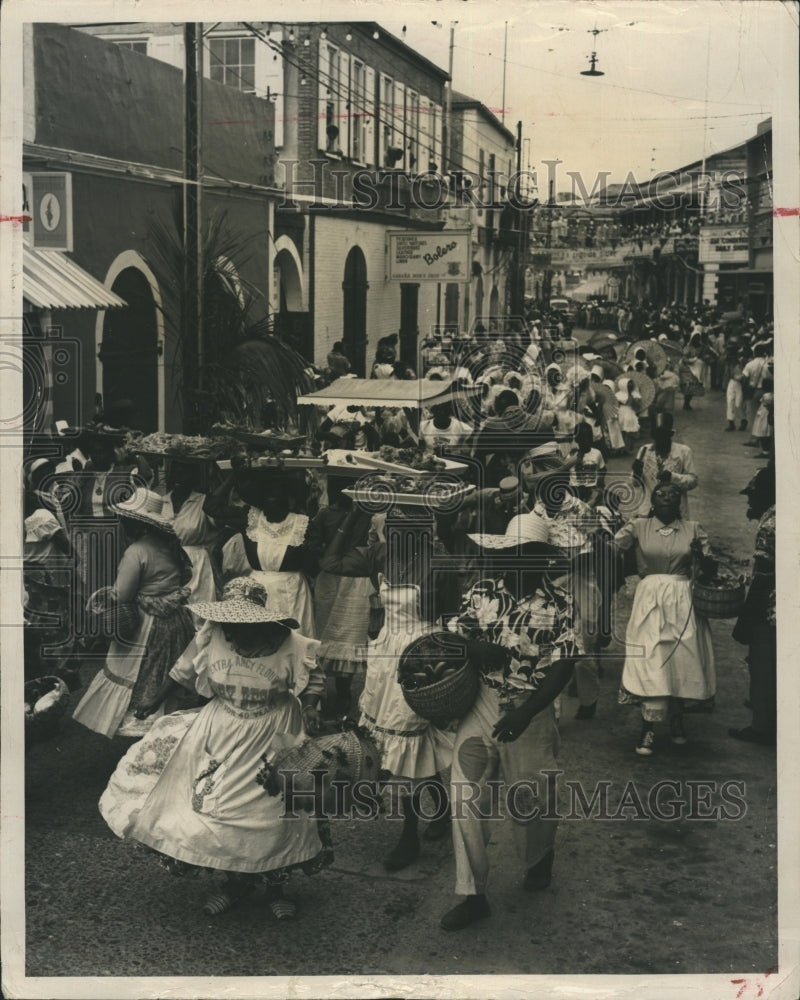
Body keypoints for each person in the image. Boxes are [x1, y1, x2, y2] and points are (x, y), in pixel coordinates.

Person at [98, 577, 329, 920]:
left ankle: (275, 888)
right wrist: (152, 701)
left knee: (271, 815)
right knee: (220, 812)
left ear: (259, 620)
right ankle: (235, 883)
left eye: (239, 624)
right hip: (220, 730)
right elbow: (182, 672)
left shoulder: (292, 644)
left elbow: (314, 680)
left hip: (275, 733)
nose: (231, 632)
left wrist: (310, 707)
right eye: (227, 623)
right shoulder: (212, 634)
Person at [439, 513, 577, 930]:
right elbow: (451, 634)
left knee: (531, 795)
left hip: (528, 708)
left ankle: (539, 856)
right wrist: (474, 649)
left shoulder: (559, 604)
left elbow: (564, 665)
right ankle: (472, 894)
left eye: (522, 553)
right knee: (465, 796)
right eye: (506, 552)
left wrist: (527, 711)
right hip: (481, 702)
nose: (510, 560)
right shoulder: (482, 592)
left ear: (540, 558)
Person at [359, 505, 455, 870]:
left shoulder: (437, 563)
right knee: (401, 741)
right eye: (393, 528)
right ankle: (441, 809)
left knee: (408, 739)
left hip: (421, 654)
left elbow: (444, 614)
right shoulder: (382, 556)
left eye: (407, 529)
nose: (397, 535)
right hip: (387, 654)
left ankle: (408, 836)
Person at [72, 488, 195, 739]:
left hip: (146, 623)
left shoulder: (137, 551)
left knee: (141, 671)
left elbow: (122, 594)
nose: (122, 523)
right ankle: (167, 730)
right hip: (175, 618)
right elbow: (185, 576)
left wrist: (110, 596)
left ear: (137, 522)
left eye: (126, 519)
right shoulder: (170, 545)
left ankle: (144, 728)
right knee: (167, 671)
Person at [614, 483, 716, 755]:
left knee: (683, 657)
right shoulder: (638, 526)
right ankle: (647, 728)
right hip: (650, 598)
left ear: (680, 501)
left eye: (673, 494)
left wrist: (700, 557)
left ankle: (677, 719)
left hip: (683, 598)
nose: (667, 498)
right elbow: (612, 548)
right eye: (661, 494)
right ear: (652, 501)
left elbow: (710, 567)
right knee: (652, 658)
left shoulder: (693, 529)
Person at [206, 469, 317, 637]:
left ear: (288, 498)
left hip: (292, 591)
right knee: (257, 638)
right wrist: (233, 477)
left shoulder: (302, 524)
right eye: (267, 495)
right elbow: (210, 507)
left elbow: (314, 564)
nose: (272, 499)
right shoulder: (250, 518)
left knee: (294, 639)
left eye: (278, 494)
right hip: (256, 591)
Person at [308, 492, 375, 718]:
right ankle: (317, 693)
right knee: (324, 637)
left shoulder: (371, 515)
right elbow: (314, 545)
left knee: (351, 638)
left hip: (357, 580)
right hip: (331, 579)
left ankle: (343, 693)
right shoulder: (325, 514)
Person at [729, 464, 776, 745]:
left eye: (753, 496)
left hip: (771, 609)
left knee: (762, 665)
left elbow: (764, 576)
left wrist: (746, 618)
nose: (749, 501)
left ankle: (762, 727)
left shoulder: (769, 526)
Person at [162, 459, 220, 604]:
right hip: (166, 562)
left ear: (194, 476)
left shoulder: (203, 501)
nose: (179, 476)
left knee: (197, 607)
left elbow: (220, 521)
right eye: (176, 471)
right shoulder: (162, 501)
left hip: (196, 564)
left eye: (184, 472)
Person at [632, 412, 698, 519]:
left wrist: (673, 477)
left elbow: (693, 481)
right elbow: (635, 484)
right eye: (657, 436)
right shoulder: (644, 451)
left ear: (670, 435)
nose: (660, 439)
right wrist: (636, 473)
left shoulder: (684, 452)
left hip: (675, 511)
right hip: (648, 512)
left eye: (664, 435)